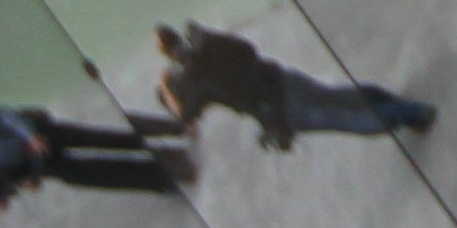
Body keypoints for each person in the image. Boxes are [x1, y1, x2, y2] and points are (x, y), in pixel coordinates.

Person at [148, 24, 437, 149]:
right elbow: (248, 49)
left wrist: (166, 86)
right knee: (338, 96)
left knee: (344, 120)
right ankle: (405, 108)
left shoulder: (197, 81)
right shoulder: (206, 40)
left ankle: (409, 113)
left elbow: (185, 116)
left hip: (279, 109)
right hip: (282, 79)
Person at [0, 106, 188, 208]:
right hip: (23, 166)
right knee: (95, 173)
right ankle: (161, 177)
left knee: (101, 138)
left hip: (30, 138)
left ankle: (164, 143)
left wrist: (29, 135)